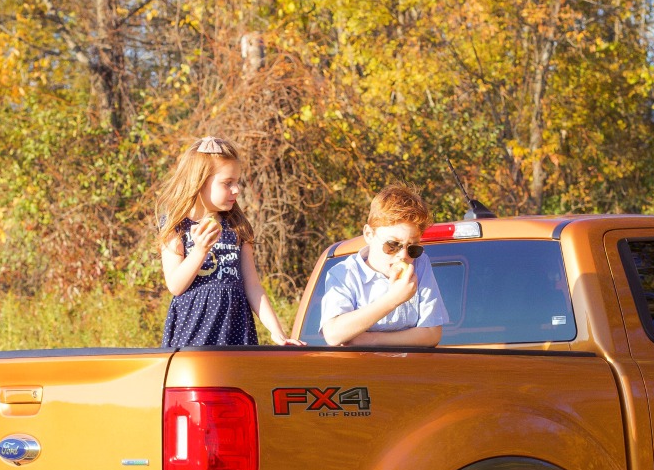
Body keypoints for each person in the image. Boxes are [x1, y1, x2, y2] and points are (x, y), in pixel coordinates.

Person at [158, 135, 304, 347]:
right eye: (227, 183)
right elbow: (176, 286)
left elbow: (253, 286)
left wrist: (277, 332)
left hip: (236, 330)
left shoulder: (237, 226)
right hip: (193, 333)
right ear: (198, 183)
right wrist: (200, 251)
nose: (236, 190)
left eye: (237, 182)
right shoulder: (176, 226)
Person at [320, 183, 448, 347]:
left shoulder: (420, 265)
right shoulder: (345, 273)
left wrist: (370, 339)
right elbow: (333, 334)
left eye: (413, 248)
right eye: (393, 245)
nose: (403, 255)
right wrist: (392, 299)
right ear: (369, 234)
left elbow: (432, 333)